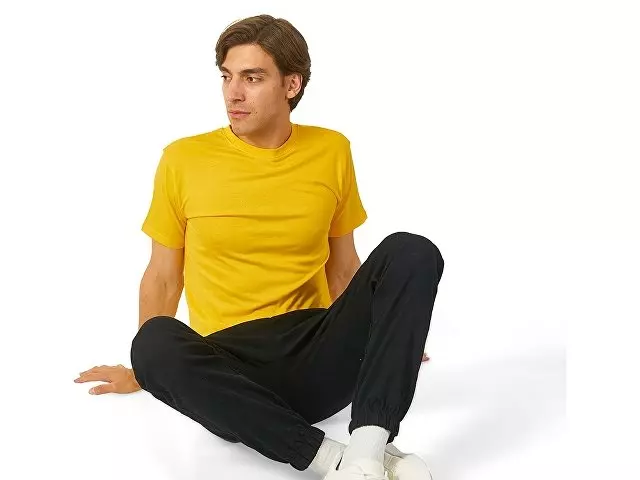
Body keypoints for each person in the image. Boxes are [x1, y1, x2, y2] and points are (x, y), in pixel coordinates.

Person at [74, 14, 444, 480]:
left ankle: (369, 442)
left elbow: (344, 267)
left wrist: (391, 332)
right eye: (226, 76)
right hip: (229, 370)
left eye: (252, 78)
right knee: (150, 343)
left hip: (316, 347)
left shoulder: (331, 150)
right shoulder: (183, 160)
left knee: (412, 249)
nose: (233, 93)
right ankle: (335, 460)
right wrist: (145, 372)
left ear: (292, 84)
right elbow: (163, 277)